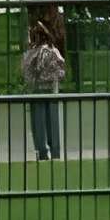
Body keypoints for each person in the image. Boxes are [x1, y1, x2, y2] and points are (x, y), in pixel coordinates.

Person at [20, 17, 68, 162]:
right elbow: (61, 72)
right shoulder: (53, 51)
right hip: (51, 90)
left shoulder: (31, 53)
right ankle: (55, 152)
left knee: (39, 122)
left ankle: (42, 153)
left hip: (37, 90)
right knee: (52, 122)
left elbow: (25, 73)